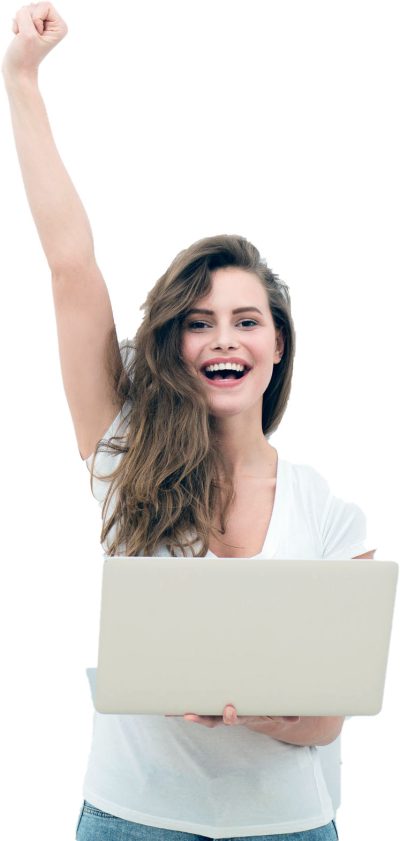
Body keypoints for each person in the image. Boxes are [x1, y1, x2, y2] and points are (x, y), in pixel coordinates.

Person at [2, 5, 376, 841]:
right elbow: (71, 269)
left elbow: (327, 722)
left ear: (278, 344)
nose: (223, 337)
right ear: (173, 342)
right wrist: (22, 80)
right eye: (199, 320)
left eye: (247, 319)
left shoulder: (328, 511)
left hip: (289, 827)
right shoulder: (123, 454)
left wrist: (253, 710)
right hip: (132, 821)